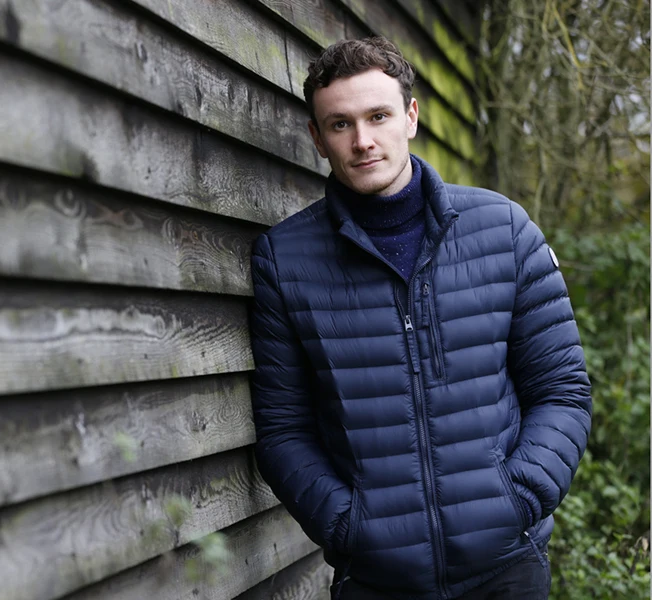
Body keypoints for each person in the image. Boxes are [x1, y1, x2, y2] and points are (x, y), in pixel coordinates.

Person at [248, 37, 591, 600]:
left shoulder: (503, 230)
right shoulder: (286, 261)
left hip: (506, 569)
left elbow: (563, 390)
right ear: (316, 138)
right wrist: (347, 527)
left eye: (378, 116)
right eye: (339, 124)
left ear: (410, 116)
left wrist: (521, 497)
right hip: (376, 581)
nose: (362, 141)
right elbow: (283, 429)